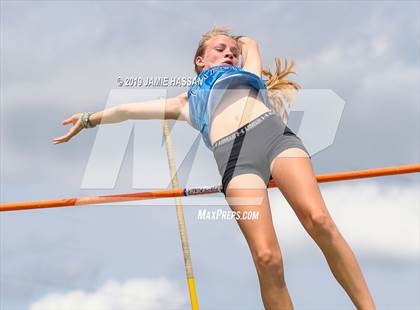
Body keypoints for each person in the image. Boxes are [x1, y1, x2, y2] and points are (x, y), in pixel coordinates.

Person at [53, 27, 376, 309]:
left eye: (233, 52)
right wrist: (87, 120)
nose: (229, 54)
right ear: (200, 61)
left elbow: (250, 43)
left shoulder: (248, 74)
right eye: (220, 49)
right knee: (267, 258)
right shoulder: (184, 103)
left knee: (319, 220)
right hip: (236, 160)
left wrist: (238, 40)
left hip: (274, 138)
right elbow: (125, 110)